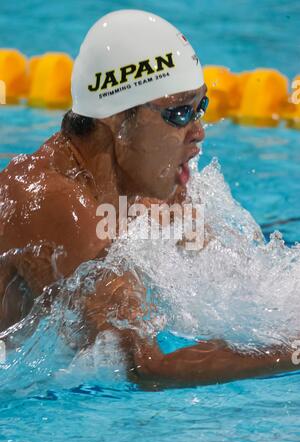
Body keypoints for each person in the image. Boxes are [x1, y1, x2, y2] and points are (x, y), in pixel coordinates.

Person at [0, 9, 299, 388]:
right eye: (179, 113)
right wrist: (294, 352)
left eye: (200, 108)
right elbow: (145, 366)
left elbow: (238, 279)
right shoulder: (50, 203)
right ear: (115, 118)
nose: (198, 131)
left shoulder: (140, 192)